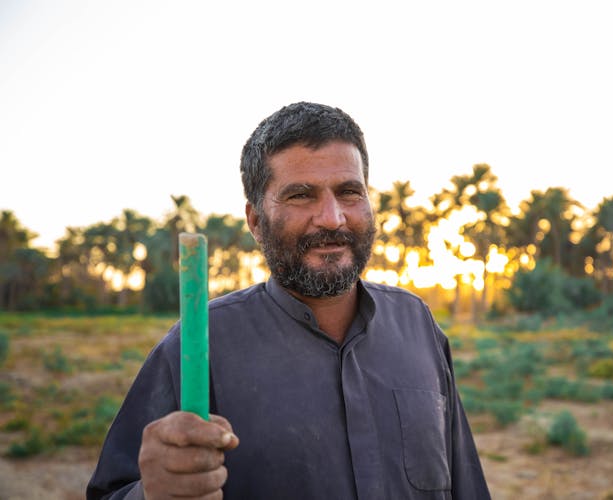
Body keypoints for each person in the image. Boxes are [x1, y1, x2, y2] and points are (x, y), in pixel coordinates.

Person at [87, 102, 491, 499]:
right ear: (256, 221)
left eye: (349, 192)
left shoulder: (416, 323)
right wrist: (153, 494)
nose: (332, 218)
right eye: (301, 196)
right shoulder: (200, 346)